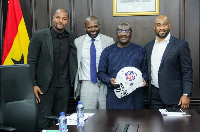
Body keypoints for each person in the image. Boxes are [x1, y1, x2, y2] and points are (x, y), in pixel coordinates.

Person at [27, 9, 77, 131]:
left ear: (67, 21)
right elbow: (31, 61)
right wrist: (33, 84)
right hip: (44, 87)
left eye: (64, 19)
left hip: (64, 87)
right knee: (43, 121)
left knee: (61, 121)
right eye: (58, 17)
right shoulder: (40, 36)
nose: (61, 21)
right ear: (53, 18)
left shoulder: (72, 37)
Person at [144, 15, 193, 109]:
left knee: (173, 124)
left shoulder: (180, 45)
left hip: (174, 97)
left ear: (169, 26)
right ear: (155, 27)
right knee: (154, 123)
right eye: (159, 25)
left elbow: (187, 71)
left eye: (165, 24)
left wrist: (186, 94)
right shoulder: (148, 47)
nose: (162, 28)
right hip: (153, 97)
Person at [97, 23, 148, 109]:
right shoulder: (107, 51)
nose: (123, 34)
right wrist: (109, 80)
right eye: (120, 31)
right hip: (115, 98)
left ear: (131, 33)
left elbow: (145, 71)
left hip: (135, 98)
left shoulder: (139, 50)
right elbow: (101, 73)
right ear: (116, 33)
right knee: (114, 122)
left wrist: (144, 79)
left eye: (127, 31)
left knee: (137, 122)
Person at [74, 16, 115, 109]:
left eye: (95, 26)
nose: (93, 29)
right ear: (85, 28)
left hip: (105, 84)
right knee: (88, 117)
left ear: (99, 26)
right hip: (87, 84)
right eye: (89, 27)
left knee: (106, 117)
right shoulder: (78, 42)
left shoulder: (109, 41)